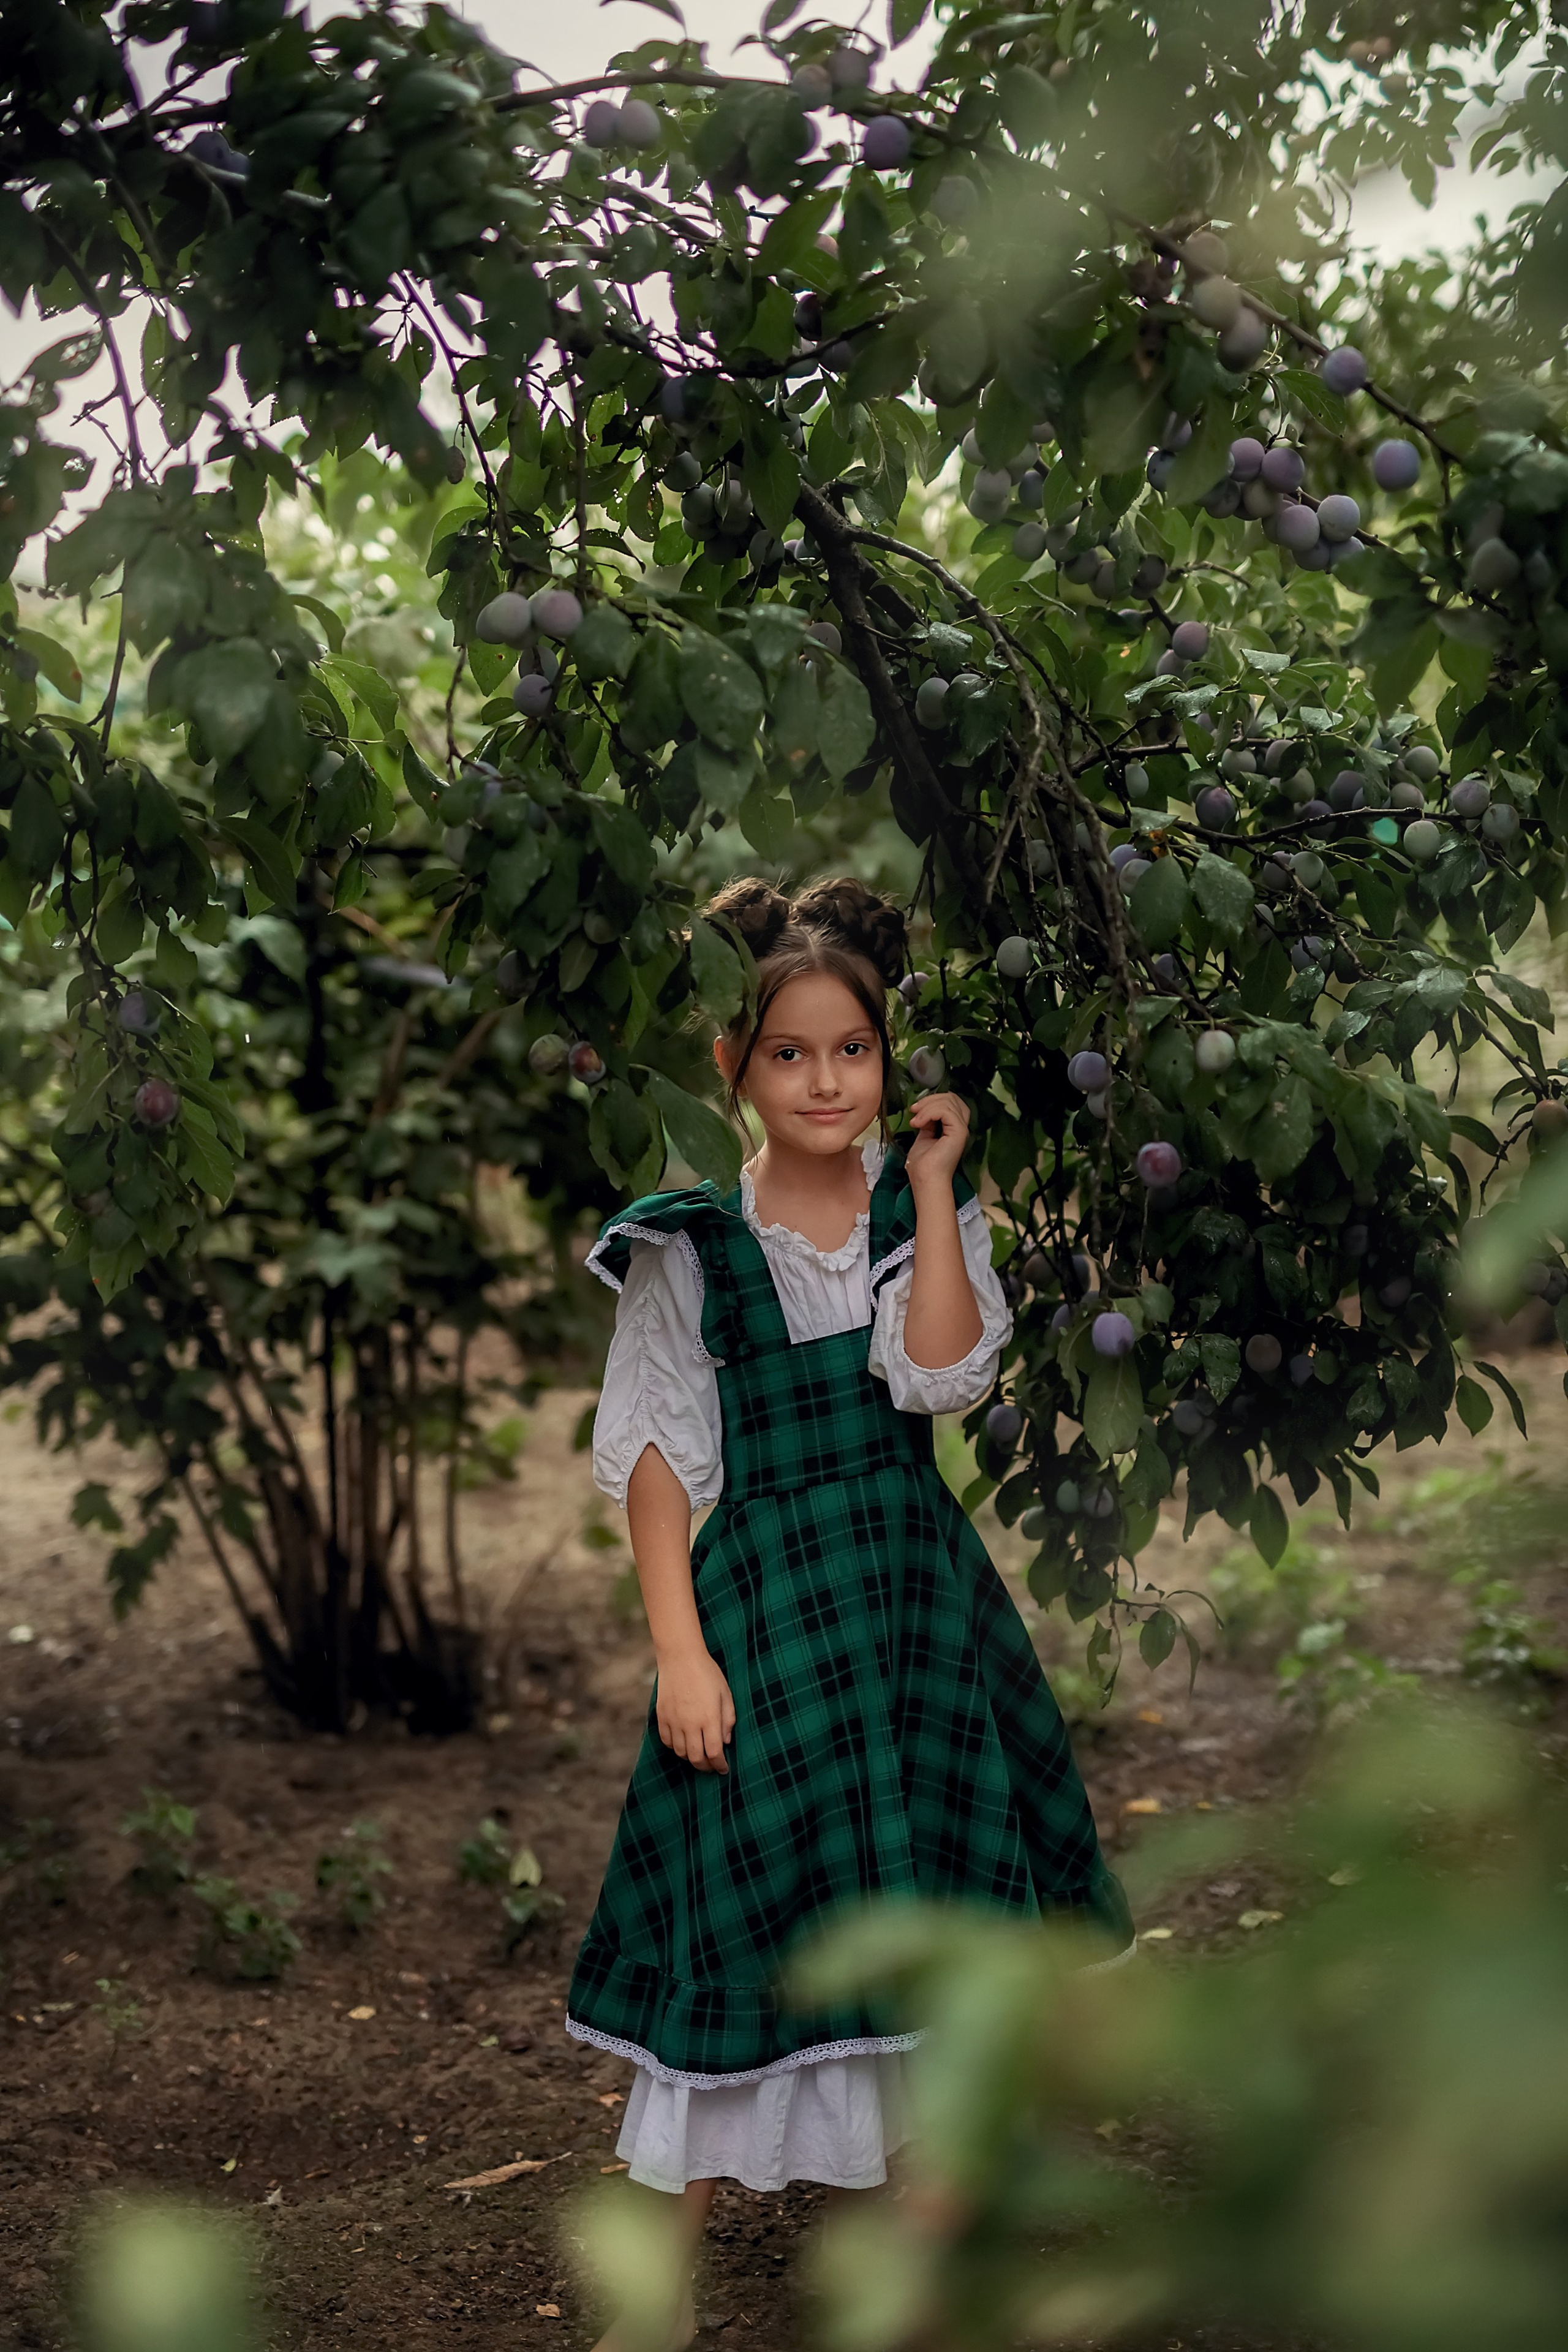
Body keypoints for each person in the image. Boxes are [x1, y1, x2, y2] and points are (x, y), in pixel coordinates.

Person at [568, 875, 1133, 2341]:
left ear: (888, 1061)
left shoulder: (914, 1216)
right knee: (740, 1918)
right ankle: (658, 2304)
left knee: (930, 1921)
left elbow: (940, 1374)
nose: (825, 1081)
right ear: (734, 1069)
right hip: (761, 1614)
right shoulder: (688, 1245)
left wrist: (936, 1189)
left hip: (909, 1615)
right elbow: (649, 1457)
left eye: (853, 1052)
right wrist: (677, 1652)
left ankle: (918, 2280)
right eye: (789, 1054)